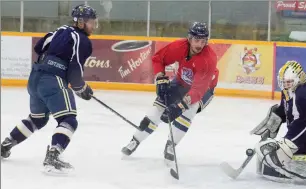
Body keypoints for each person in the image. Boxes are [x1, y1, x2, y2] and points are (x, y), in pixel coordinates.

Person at [0, 4, 97, 173]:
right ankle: (53, 155)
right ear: (81, 22)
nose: (94, 25)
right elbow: (75, 69)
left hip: (35, 77)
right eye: (91, 22)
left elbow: (39, 47)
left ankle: (6, 144)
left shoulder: (60, 30)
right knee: (69, 119)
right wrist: (82, 88)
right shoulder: (82, 40)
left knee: (38, 119)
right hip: (52, 79)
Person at [121, 22, 219, 164]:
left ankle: (170, 145)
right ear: (189, 38)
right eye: (197, 40)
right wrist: (160, 78)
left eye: (203, 41)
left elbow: (198, 90)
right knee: (157, 109)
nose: (200, 44)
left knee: (188, 111)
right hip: (180, 83)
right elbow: (158, 59)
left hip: (205, 88)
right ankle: (135, 141)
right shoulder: (179, 47)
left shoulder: (208, 59)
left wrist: (179, 107)